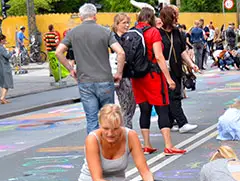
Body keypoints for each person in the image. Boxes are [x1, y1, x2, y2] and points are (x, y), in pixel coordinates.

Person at [56, 4, 125, 135]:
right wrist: (119, 73)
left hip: (85, 81)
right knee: (108, 118)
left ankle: (93, 152)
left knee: (92, 119)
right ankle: (109, 149)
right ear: (95, 16)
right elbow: (121, 53)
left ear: (81, 17)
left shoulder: (72, 33)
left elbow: (58, 52)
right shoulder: (105, 31)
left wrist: (70, 69)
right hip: (105, 79)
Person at [128, 8, 185, 156]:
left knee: (145, 110)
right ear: (152, 18)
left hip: (137, 77)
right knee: (162, 109)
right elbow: (159, 57)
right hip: (153, 76)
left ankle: (146, 145)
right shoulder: (153, 32)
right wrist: (168, 78)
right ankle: (168, 145)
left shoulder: (132, 31)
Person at [159, 5, 199, 134]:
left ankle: (170, 122)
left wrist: (191, 64)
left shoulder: (179, 33)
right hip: (163, 70)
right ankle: (182, 122)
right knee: (173, 96)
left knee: (174, 95)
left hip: (176, 69)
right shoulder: (158, 33)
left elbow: (182, 52)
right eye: (175, 16)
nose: (177, 18)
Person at [111, 13, 137, 131]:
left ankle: (125, 131)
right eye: (124, 23)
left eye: (128, 23)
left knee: (131, 105)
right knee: (125, 106)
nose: (127, 25)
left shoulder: (130, 37)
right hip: (118, 75)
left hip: (130, 74)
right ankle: (126, 134)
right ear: (116, 25)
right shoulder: (112, 39)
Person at [0, 34, 14, 105]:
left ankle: (3, 98)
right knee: (6, 84)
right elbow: (7, 56)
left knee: (2, 84)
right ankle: (2, 97)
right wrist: (12, 52)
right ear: (1, 40)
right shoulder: (2, 48)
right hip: (5, 67)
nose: (5, 41)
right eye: (4, 39)